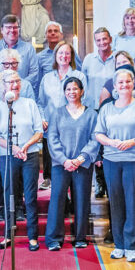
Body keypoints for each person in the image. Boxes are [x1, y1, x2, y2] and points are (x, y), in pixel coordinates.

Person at [95, 68, 135, 263]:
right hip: (112, 161)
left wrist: (134, 141)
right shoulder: (107, 108)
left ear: (133, 84)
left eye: (127, 82)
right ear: (114, 86)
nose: (124, 85)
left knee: (133, 202)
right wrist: (111, 142)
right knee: (116, 202)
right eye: (120, 83)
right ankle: (119, 244)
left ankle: (131, 245)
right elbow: (99, 133)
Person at [0, 69, 44, 251]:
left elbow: (39, 130)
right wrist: (13, 148)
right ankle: (8, 234)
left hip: (30, 154)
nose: (14, 85)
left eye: (17, 81)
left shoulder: (30, 104)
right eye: (10, 82)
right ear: (3, 86)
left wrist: (25, 147)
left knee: (30, 195)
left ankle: (33, 236)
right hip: (8, 155)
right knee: (9, 194)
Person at [0, 48, 37, 221]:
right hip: (0, 137)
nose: (10, 67)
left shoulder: (25, 84)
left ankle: (19, 207)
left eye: (13, 63)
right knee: (1, 173)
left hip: (22, 139)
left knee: (20, 175)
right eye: (6, 64)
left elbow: (29, 107)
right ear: (0, 65)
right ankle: (3, 206)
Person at [44, 77, 99, 250]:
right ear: (64, 92)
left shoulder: (91, 114)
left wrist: (80, 158)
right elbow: (52, 139)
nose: (72, 92)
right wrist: (64, 160)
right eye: (68, 89)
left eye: (75, 89)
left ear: (82, 91)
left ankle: (81, 237)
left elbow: (95, 139)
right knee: (57, 199)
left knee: (82, 200)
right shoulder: (57, 113)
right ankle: (54, 239)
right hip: (61, 165)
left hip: (82, 164)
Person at [38, 41, 87, 189]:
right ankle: (49, 180)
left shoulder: (79, 76)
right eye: (60, 53)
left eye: (67, 53)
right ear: (55, 56)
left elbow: (85, 100)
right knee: (52, 159)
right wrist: (42, 118)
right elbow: (40, 102)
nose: (64, 56)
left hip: (72, 126)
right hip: (51, 124)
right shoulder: (47, 78)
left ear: (71, 56)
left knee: (70, 161)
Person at [81, 26, 115, 198]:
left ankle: (110, 181)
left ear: (110, 39)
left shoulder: (117, 58)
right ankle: (99, 183)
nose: (102, 42)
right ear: (95, 42)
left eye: (104, 39)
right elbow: (83, 82)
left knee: (108, 144)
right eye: (98, 40)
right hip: (92, 107)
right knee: (96, 146)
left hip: (111, 108)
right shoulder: (89, 59)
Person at [0, 14, 40, 89]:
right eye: (8, 27)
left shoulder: (29, 49)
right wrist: (3, 89)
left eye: (15, 27)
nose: (12, 30)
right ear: (2, 30)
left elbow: (34, 73)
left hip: (23, 94)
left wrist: (17, 88)